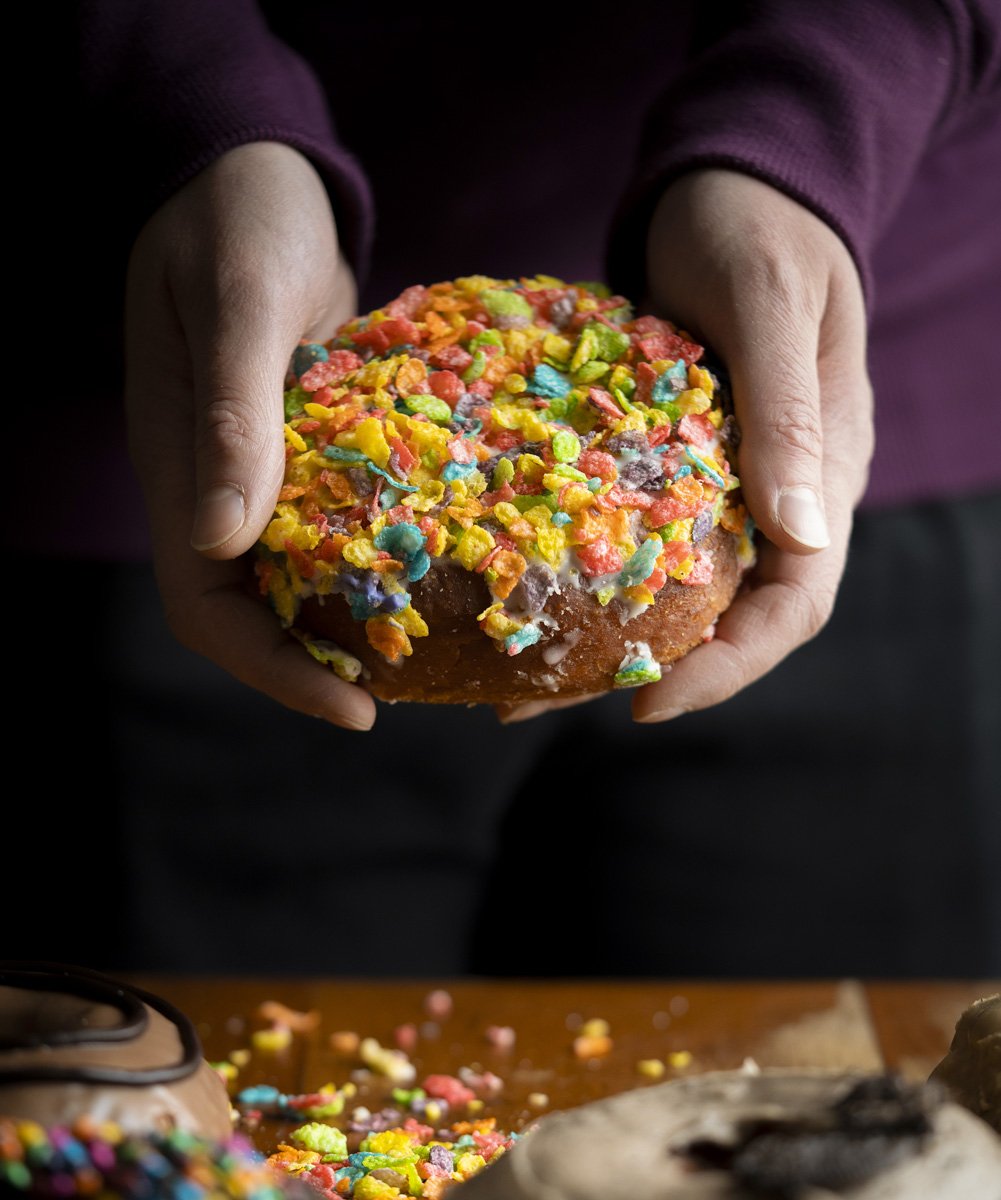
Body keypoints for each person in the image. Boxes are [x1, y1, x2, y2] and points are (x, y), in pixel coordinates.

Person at [22, 1, 997, 976]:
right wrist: (182, 103)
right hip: (181, 401)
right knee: (223, 1082)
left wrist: (807, 135)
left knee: (801, 1073)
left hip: (827, 344)